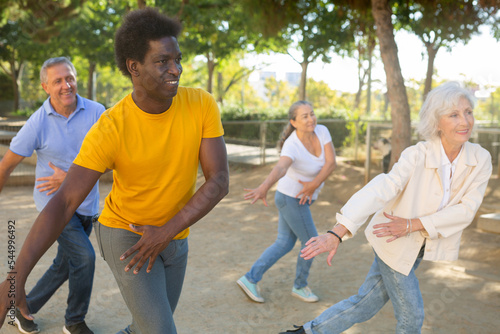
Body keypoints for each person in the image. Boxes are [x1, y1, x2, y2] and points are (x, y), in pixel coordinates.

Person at [0, 8, 229, 334]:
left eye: (178, 59)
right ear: (134, 67)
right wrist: (13, 280)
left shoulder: (201, 104)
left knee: (144, 328)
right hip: (126, 236)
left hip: (175, 236)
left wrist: (166, 231)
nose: (175, 69)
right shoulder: (111, 126)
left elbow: (218, 180)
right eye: (162, 61)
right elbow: (65, 201)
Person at [280, 81, 492, 334]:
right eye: (454, 115)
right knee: (412, 317)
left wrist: (412, 225)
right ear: (436, 123)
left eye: (468, 112)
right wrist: (338, 231)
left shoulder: (480, 159)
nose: (465, 121)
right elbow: (383, 187)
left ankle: (306, 332)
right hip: (391, 239)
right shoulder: (417, 154)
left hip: (419, 246)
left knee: (364, 305)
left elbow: (467, 209)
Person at [0, 57, 105, 334]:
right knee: (84, 258)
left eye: (69, 78)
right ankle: (74, 321)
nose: (65, 85)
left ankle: (24, 307)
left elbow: (112, 159)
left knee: (63, 265)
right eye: (57, 80)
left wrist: (70, 177)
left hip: (87, 206)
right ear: (46, 87)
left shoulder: (97, 112)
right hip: (53, 206)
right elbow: (6, 165)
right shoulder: (37, 123)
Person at [237, 101, 336, 303]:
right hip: (290, 198)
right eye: (304, 116)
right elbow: (281, 168)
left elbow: (331, 162)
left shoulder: (322, 131)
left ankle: (250, 278)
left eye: (312, 113)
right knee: (311, 241)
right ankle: (300, 286)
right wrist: (264, 187)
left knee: (284, 243)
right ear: (293, 122)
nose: (311, 119)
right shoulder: (292, 144)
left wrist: (313, 185)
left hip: (300, 198)